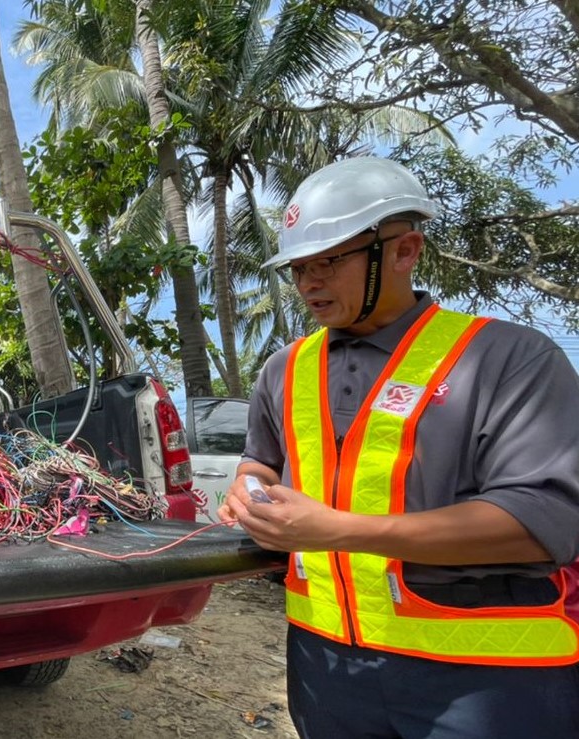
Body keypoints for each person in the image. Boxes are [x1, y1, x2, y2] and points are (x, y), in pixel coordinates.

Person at [219, 157, 579, 738]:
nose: (310, 281)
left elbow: (543, 521)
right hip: (325, 668)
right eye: (298, 267)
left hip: (488, 678)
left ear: (405, 250)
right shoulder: (284, 370)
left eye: (329, 261)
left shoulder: (507, 358)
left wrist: (336, 528)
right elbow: (261, 461)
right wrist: (247, 491)